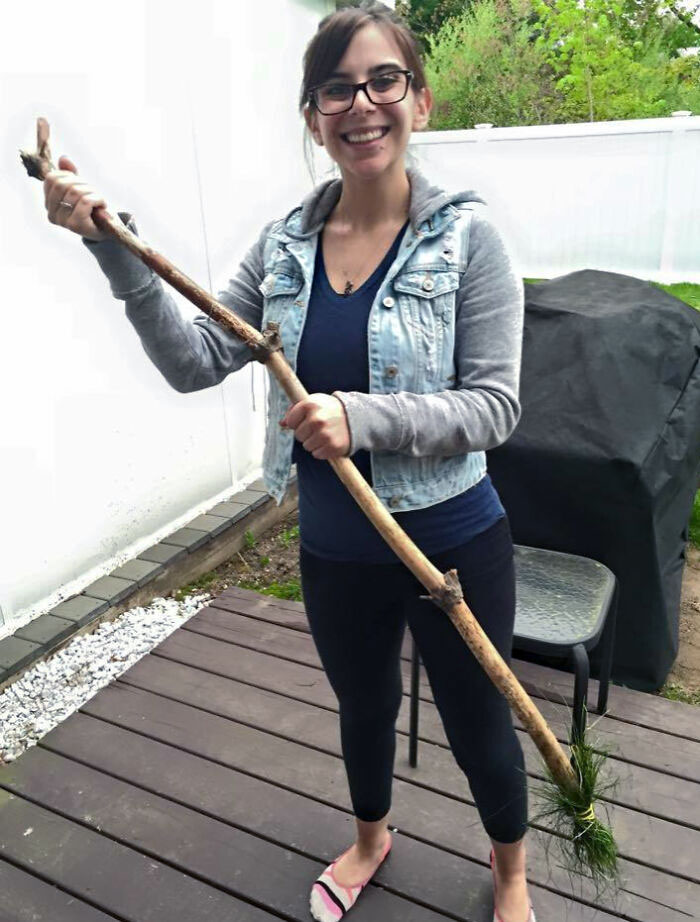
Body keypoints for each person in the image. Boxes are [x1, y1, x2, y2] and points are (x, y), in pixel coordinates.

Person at [42, 4, 532, 920]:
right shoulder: (284, 247)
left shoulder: (470, 241)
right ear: (314, 117)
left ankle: (509, 878)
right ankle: (370, 840)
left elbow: (495, 407)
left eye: (383, 80)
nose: (361, 103)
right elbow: (195, 361)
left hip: (452, 543)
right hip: (337, 546)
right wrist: (114, 251)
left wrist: (362, 414)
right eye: (336, 88)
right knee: (360, 709)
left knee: (477, 726)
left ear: (419, 101)